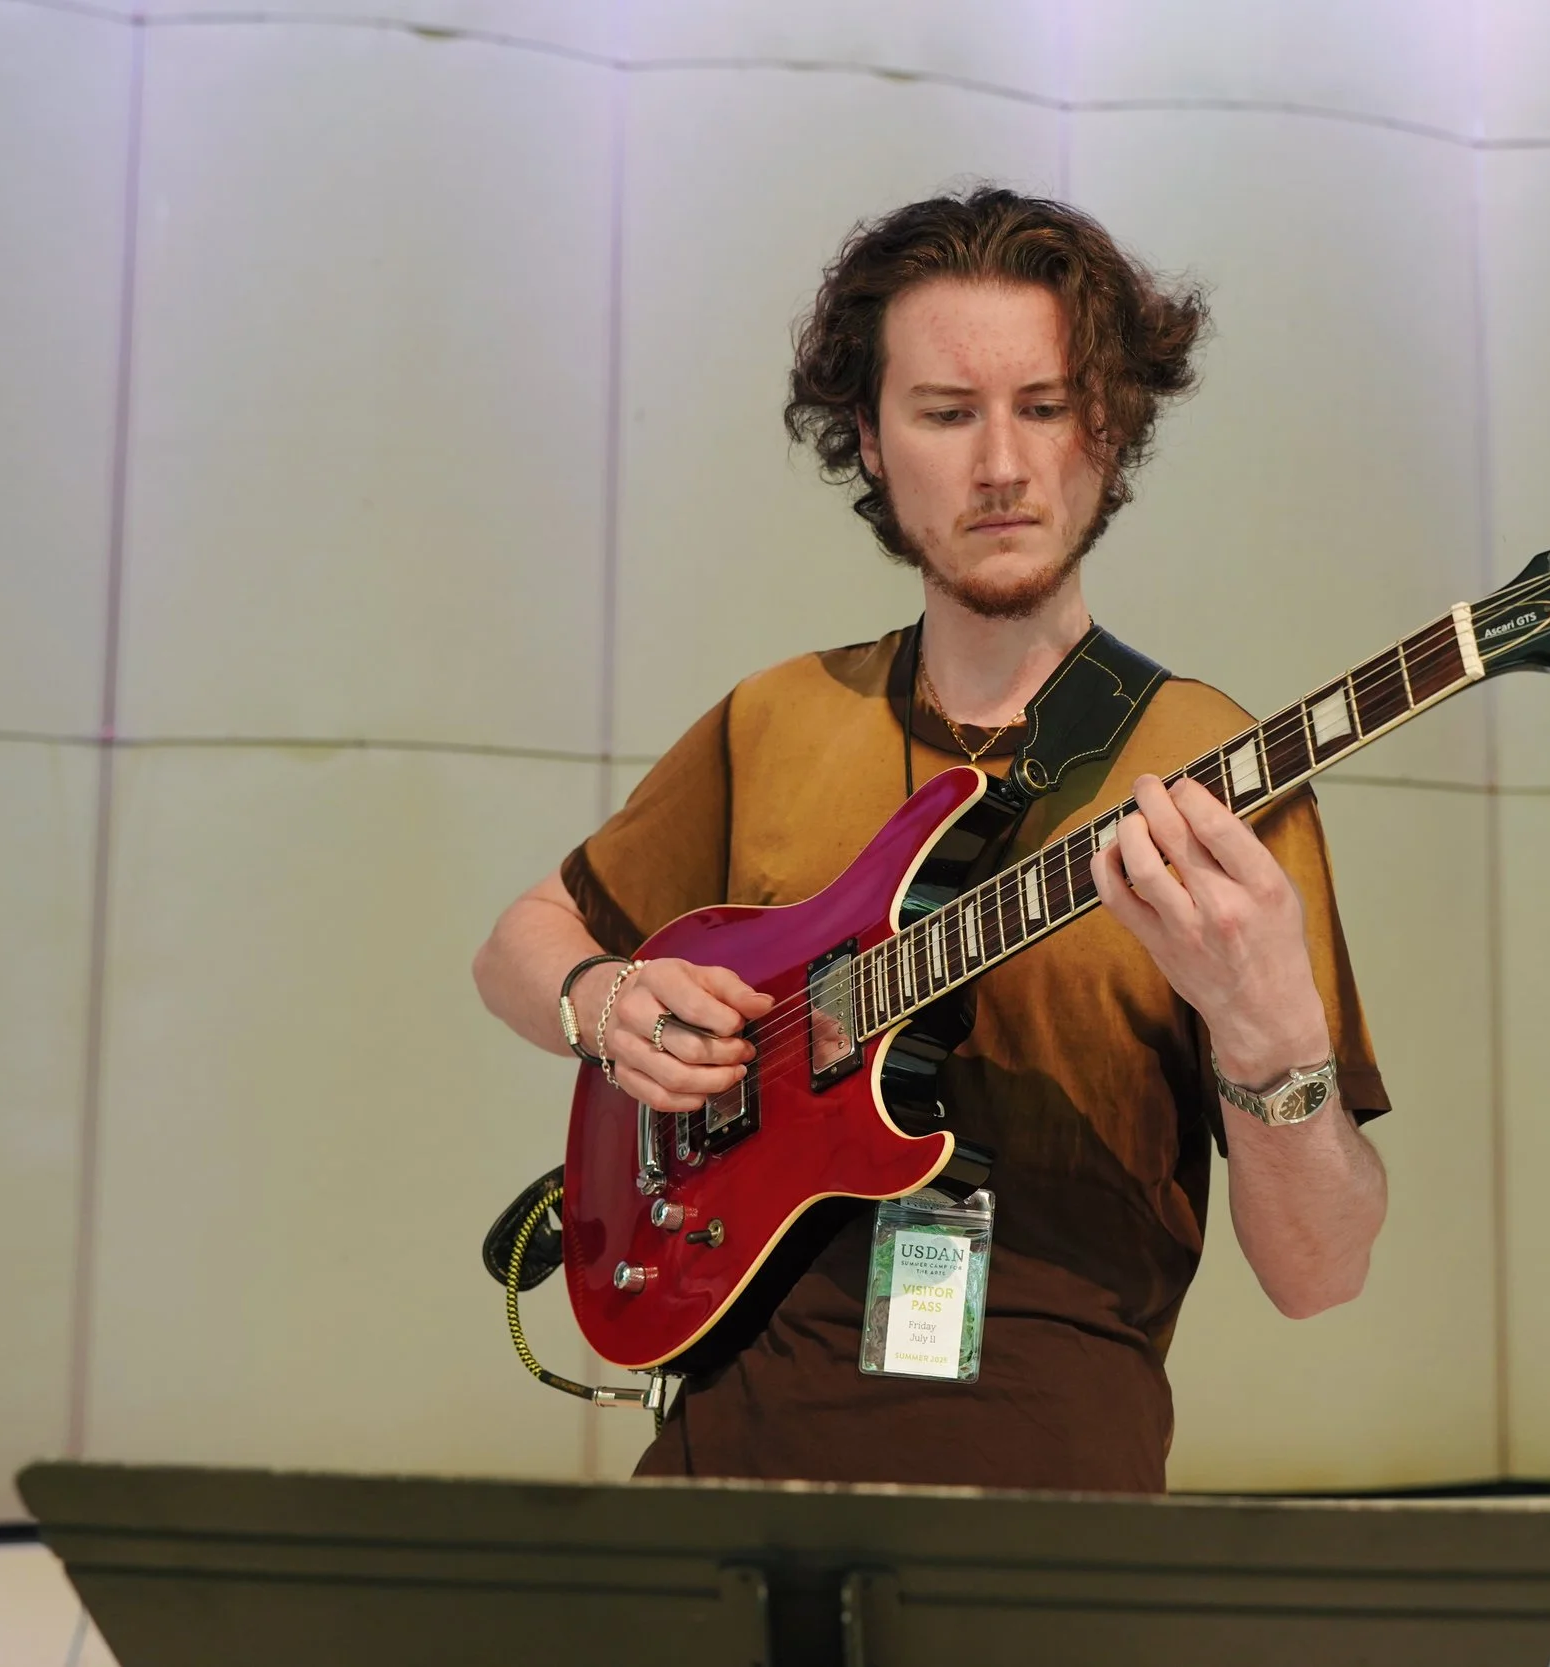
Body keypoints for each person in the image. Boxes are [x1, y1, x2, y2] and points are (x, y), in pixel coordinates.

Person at [473, 188, 1389, 1492]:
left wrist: (1273, 1040)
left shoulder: (1216, 772)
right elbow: (519, 940)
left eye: (1046, 406)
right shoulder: (779, 717)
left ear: (1107, 431)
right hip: (731, 1444)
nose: (1000, 463)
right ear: (870, 440)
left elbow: (1322, 1270)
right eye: (947, 413)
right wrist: (601, 997)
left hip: (1054, 1482)